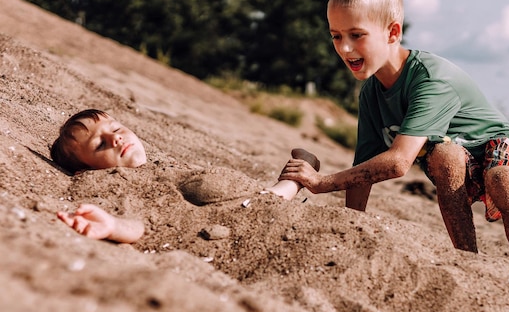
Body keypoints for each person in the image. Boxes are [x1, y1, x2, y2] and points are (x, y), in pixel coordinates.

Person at [279, 0, 509, 270]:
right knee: (444, 155)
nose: (344, 48)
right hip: (455, 158)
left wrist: (320, 182)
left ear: (392, 33)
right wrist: (352, 225)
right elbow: (364, 167)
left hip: (499, 148)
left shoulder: (431, 79)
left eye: (357, 35)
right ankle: (469, 261)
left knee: (500, 178)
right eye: (336, 36)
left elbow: (397, 163)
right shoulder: (371, 94)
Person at [51, 109, 320, 243]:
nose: (115, 138)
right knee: (272, 195)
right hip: (242, 213)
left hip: (245, 199)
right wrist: (112, 226)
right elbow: (142, 221)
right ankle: (298, 172)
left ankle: (297, 172)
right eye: (100, 145)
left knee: (266, 194)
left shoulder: (159, 167)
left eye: (116, 128)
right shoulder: (115, 184)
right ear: (87, 172)